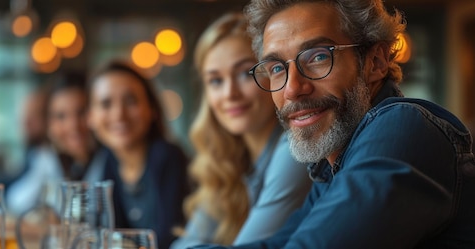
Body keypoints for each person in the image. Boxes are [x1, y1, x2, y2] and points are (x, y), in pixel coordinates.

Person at [191, 0, 475, 248]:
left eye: (317, 57)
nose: (292, 89)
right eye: (277, 68)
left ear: (375, 61)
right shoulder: (331, 166)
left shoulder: (403, 128)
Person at [171, 13, 311, 249]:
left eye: (246, 73)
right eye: (216, 81)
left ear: (275, 75)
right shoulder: (229, 161)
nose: (229, 94)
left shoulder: (294, 148)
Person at [88, 60, 190, 249]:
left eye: (131, 101)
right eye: (105, 103)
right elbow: (105, 234)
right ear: (91, 117)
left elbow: (168, 239)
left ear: (152, 110)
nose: (119, 114)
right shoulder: (109, 161)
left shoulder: (169, 157)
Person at [6, 72, 103, 215]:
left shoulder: (108, 159)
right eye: (61, 116)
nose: (73, 125)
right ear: (49, 124)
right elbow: (17, 202)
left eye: (81, 112)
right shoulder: (49, 159)